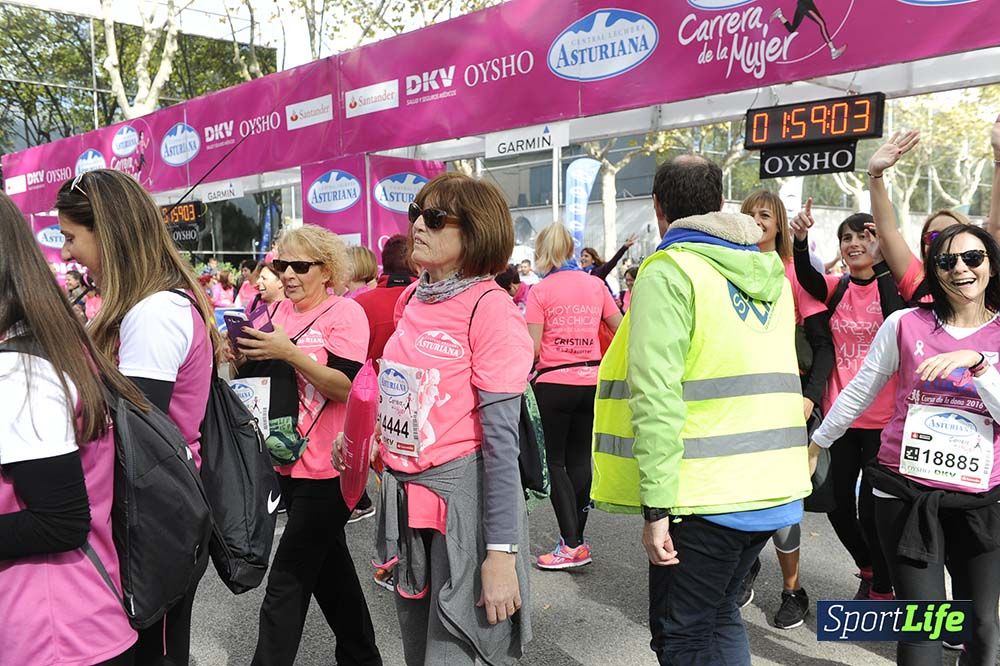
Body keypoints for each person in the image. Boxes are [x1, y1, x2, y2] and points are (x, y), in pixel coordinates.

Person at [591, 155, 811, 665]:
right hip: (772, 485)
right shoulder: (769, 272)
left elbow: (656, 396)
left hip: (704, 495)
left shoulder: (670, 271)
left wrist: (657, 509)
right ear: (719, 204)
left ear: (657, 206)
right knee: (718, 615)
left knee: (681, 635)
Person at [336, 172, 534, 665]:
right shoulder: (413, 299)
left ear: (476, 232)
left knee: (458, 652)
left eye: (435, 217)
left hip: (464, 510)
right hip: (407, 506)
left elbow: (502, 447)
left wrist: (501, 556)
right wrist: (365, 438)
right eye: (415, 215)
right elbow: (411, 397)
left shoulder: (491, 310)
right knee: (417, 654)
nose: (418, 226)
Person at [809, 223, 1000, 666]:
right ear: (933, 270)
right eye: (946, 261)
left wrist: (976, 364)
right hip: (905, 493)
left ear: (990, 264)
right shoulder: (905, 323)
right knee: (921, 628)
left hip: (982, 501)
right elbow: (859, 389)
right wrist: (818, 443)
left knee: (981, 626)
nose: (961, 270)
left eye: (973, 258)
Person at [55, 169, 217, 666]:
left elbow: (134, 443)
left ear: (108, 230)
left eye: (70, 237)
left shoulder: (153, 313)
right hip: (152, 520)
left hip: (154, 522)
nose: (64, 253)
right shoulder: (149, 306)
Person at [0, 191, 145, 666]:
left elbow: (59, 520)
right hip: (66, 624)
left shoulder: (19, 369)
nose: (63, 249)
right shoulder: (44, 343)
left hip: (55, 634)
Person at [239, 225, 382, 666]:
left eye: (300, 266)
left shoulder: (346, 314)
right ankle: (362, 658)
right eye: (282, 265)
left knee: (287, 579)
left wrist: (289, 353)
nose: (288, 275)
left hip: (332, 469)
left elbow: (344, 387)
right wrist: (243, 354)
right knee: (331, 576)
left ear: (327, 270)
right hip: (286, 464)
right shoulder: (278, 312)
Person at [792, 204, 906, 602]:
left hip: (884, 419)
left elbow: (897, 317)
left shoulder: (891, 286)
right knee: (836, 504)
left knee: (873, 509)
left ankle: (882, 585)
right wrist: (801, 240)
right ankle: (870, 566)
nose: (855, 243)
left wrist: (884, 262)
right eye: (847, 237)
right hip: (840, 418)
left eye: (864, 236)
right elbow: (806, 276)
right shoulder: (836, 286)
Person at [734, 189, 835, 630]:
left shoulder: (793, 273)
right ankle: (743, 571)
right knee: (739, 497)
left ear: (778, 224)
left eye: (765, 215)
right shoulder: (727, 271)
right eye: (749, 215)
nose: (757, 223)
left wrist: (809, 399)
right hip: (739, 408)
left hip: (789, 408)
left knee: (784, 503)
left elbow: (822, 344)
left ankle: (793, 590)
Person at [528, 223, 622, 569]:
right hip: (592, 380)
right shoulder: (595, 284)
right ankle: (575, 541)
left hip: (553, 382)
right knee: (581, 460)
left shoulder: (540, 292)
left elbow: (533, 349)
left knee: (555, 463)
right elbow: (621, 327)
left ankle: (570, 544)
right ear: (570, 248)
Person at [866, 129, 988, 306]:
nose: (943, 241)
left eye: (952, 233)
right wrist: (874, 173)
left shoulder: (986, 278)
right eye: (933, 237)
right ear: (924, 246)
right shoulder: (916, 278)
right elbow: (888, 231)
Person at [771, 1, 846, 60]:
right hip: (805, 4)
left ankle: (779, 15)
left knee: (792, 29)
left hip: (805, 4)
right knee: (821, 23)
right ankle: (833, 51)